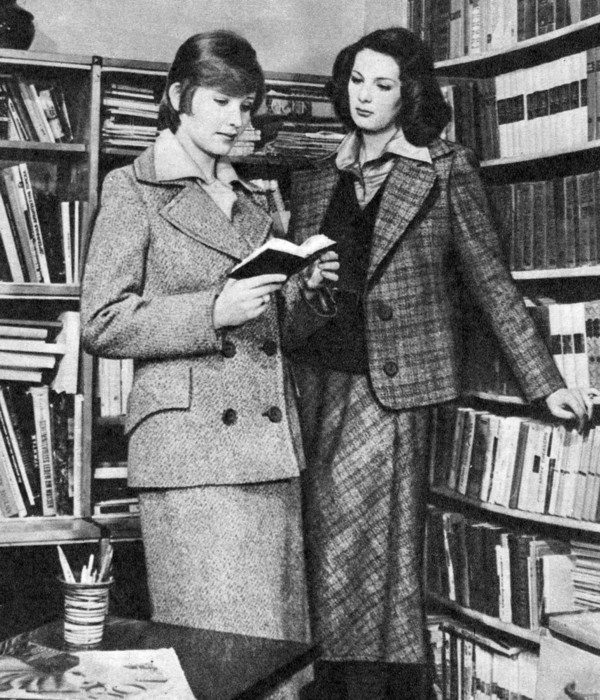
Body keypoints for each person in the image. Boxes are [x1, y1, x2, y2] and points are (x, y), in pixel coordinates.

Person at [284, 26, 594, 700]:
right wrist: (306, 286)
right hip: (309, 385)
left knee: (361, 559)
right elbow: (292, 298)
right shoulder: (316, 178)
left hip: (389, 390)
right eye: (356, 81)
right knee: (316, 554)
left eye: (383, 85)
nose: (365, 96)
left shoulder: (444, 167)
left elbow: (490, 282)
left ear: (410, 94)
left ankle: (363, 689)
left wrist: (545, 385)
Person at [80, 29, 338, 672]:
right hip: (190, 454)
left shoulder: (252, 200)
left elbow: (274, 334)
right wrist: (211, 313)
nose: (235, 119)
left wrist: (305, 294)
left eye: (245, 106)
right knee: (215, 654)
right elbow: (102, 321)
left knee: (273, 655)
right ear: (178, 97)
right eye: (220, 101)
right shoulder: (132, 188)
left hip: (268, 450)